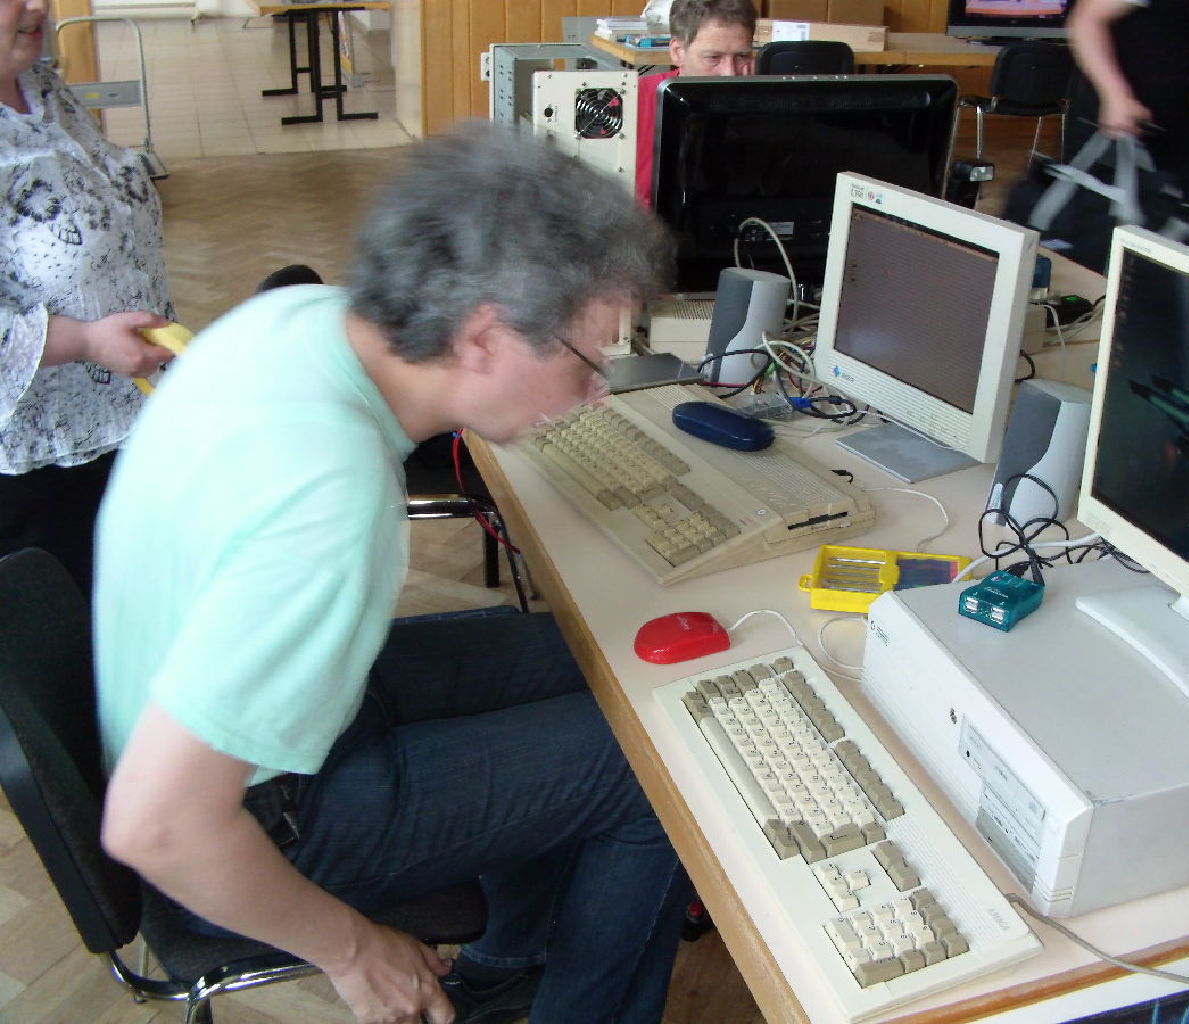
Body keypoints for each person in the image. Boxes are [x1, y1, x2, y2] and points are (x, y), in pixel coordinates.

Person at [95, 122, 687, 1024]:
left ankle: (510, 964)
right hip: (251, 822)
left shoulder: (296, 316)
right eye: (589, 359)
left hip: (243, 724)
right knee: (656, 765)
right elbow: (156, 826)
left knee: (588, 654)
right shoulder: (329, 499)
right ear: (484, 337)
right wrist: (353, 950)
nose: (596, 392)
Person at [0, 0, 178, 597]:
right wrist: (84, 341)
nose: (38, 5)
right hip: (40, 467)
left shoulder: (41, 87)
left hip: (130, 423)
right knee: (77, 637)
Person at [1066, 0, 1189, 250]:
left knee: (1186, 236)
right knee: (1098, 238)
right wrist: (1116, 97)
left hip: (1171, 122)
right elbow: (1087, 20)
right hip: (1119, 126)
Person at [635, 0, 757, 207]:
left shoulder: (771, 106)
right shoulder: (633, 101)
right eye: (713, 57)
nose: (730, 73)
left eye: (742, 56)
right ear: (677, 52)